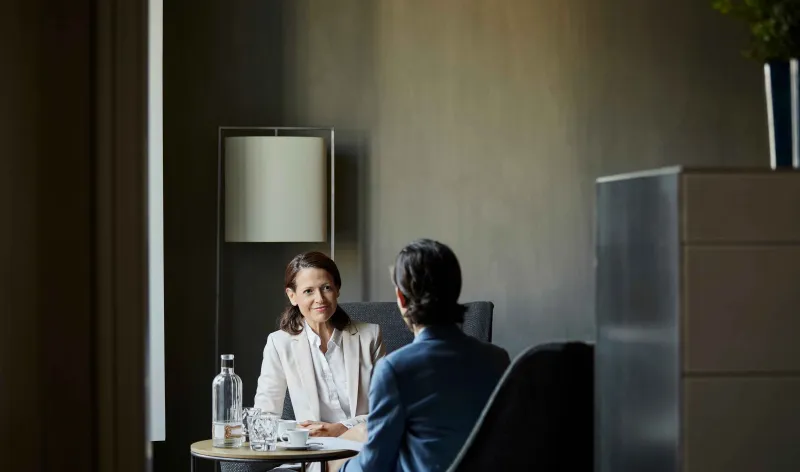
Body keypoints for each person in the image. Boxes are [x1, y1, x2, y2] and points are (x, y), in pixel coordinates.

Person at [339, 239, 510, 472]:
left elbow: (374, 465)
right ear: (455, 291)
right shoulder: (498, 359)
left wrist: (337, 468)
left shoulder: (394, 369)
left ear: (401, 297)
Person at [255, 251, 385, 436]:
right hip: (314, 450)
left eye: (326, 288)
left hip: (365, 442)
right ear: (292, 296)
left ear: (337, 289)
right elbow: (264, 417)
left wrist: (340, 429)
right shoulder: (279, 344)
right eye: (308, 291)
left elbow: (386, 409)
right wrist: (300, 433)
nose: (320, 299)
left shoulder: (369, 336)